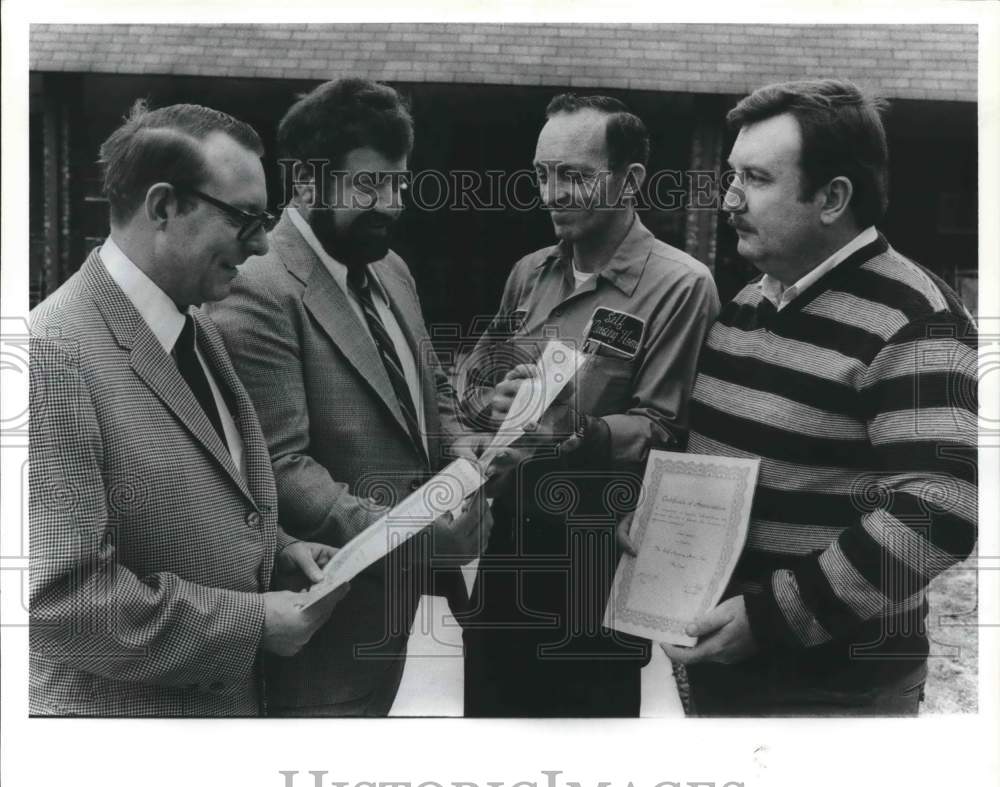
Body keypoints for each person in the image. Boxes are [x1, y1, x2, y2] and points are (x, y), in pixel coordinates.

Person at [639, 79, 978, 715]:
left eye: (757, 179)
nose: (729, 200)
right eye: (731, 175)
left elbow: (943, 509)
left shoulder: (915, 318)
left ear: (832, 197)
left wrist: (773, 618)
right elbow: (715, 454)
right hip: (730, 669)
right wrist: (657, 522)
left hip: (836, 689)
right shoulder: (748, 302)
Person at [29, 101, 348, 717]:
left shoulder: (197, 332)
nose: (260, 245)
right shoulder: (50, 357)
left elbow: (195, 506)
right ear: (163, 207)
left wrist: (279, 551)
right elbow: (57, 602)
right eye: (244, 219)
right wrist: (252, 625)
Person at [207, 78, 491, 717]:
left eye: (399, 185)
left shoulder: (390, 267)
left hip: (393, 616)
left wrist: (464, 452)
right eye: (367, 187)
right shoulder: (257, 286)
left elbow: (429, 387)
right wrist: (420, 537)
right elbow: (281, 470)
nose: (389, 206)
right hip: (319, 625)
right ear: (306, 181)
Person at [461, 93, 720, 716]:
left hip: (594, 561)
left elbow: (672, 431)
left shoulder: (682, 286)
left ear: (631, 180)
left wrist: (582, 429)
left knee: (589, 759)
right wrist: (487, 399)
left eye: (574, 175)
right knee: (488, 748)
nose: (552, 193)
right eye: (542, 174)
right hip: (506, 546)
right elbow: (473, 372)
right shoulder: (529, 272)